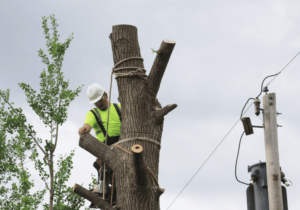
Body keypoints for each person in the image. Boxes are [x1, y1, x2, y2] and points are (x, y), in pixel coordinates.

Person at [78, 83, 121, 207]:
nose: (98, 104)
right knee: (102, 168)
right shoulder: (93, 113)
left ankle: (113, 192)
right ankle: (104, 191)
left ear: (106, 95)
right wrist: (84, 129)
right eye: (95, 102)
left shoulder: (119, 107)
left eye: (100, 101)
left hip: (123, 145)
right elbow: (87, 125)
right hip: (106, 148)